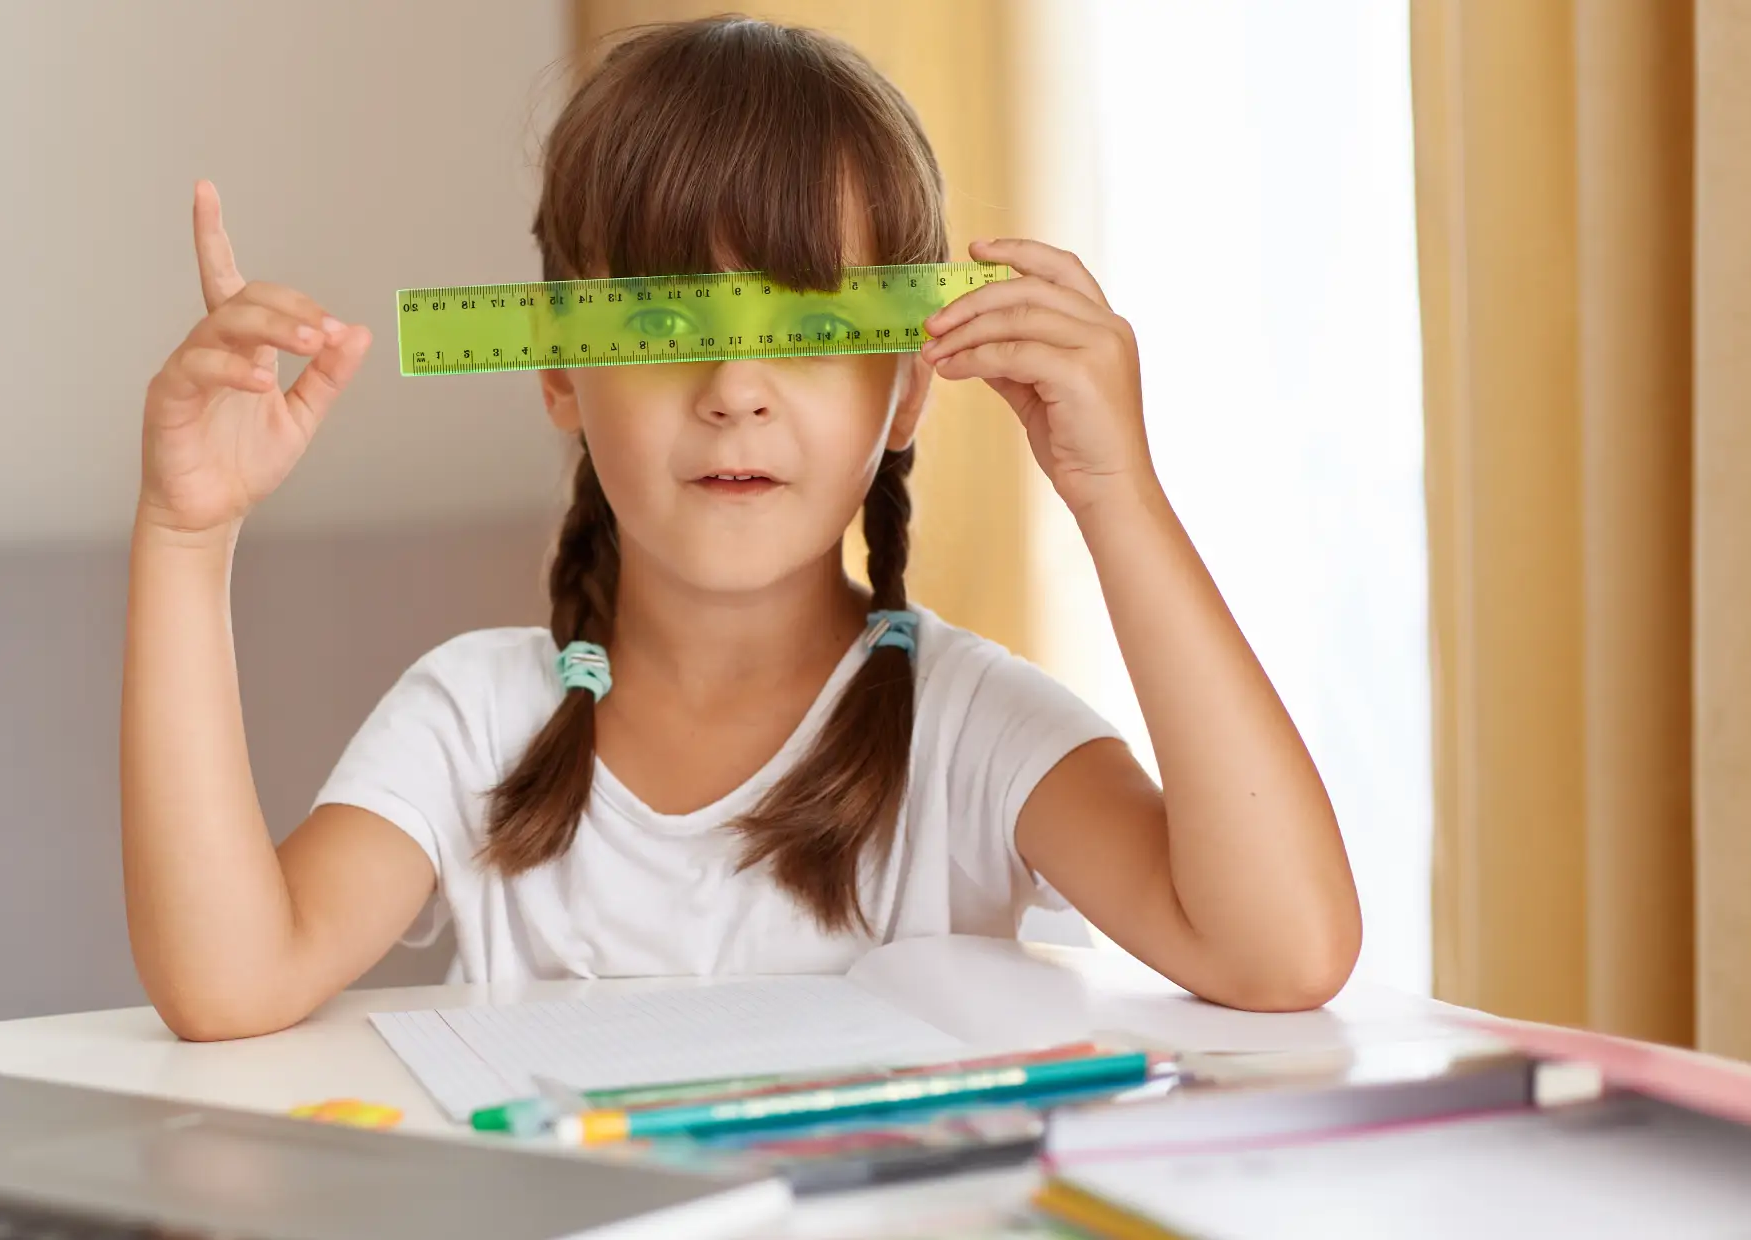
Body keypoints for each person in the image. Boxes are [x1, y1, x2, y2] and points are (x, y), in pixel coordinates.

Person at [120, 17, 1361, 1042]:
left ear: (907, 391)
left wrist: (1116, 492)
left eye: (813, 329)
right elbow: (228, 984)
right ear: (559, 370)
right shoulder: (472, 721)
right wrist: (186, 535)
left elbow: (1284, 951)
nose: (735, 390)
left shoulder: (968, 729)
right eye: (662, 327)